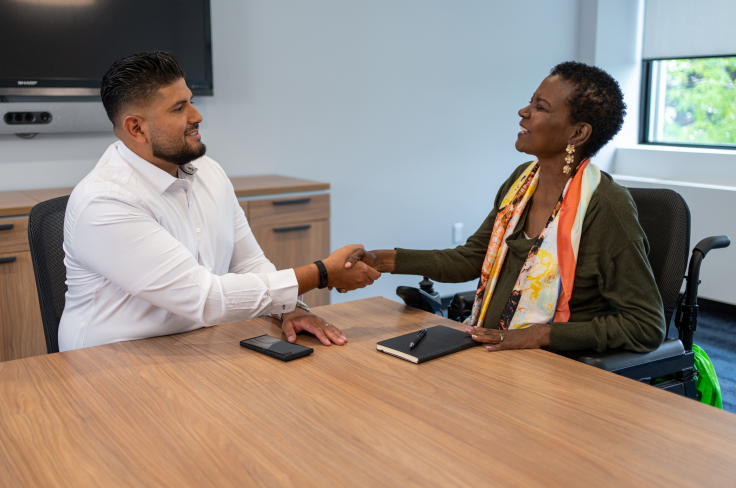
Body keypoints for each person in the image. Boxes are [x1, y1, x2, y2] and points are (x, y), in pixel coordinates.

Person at [59, 51, 380, 351]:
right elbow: (204, 298)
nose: (197, 115)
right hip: (109, 364)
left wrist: (288, 309)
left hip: (196, 345)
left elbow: (248, 263)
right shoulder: (104, 203)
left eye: (191, 102)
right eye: (178, 108)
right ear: (137, 128)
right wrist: (322, 273)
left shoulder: (208, 172)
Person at [345, 61, 666, 353]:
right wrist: (383, 259)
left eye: (540, 107)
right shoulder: (521, 183)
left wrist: (540, 335)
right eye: (531, 101)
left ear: (577, 133)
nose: (523, 111)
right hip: (492, 351)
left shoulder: (607, 208)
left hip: (558, 372)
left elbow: (646, 326)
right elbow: (471, 259)